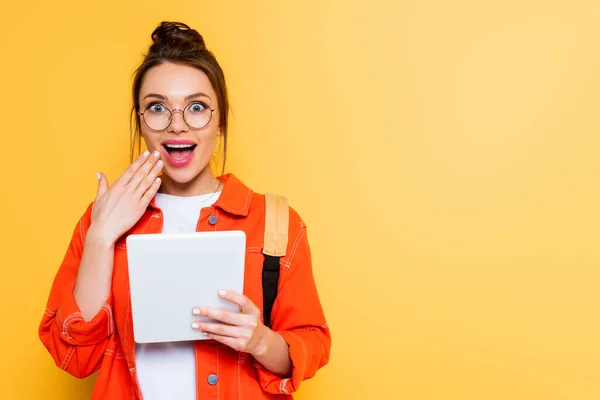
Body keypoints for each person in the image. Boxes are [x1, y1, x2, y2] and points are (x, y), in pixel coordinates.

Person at [38, 21, 331, 400]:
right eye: (157, 107)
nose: (177, 125)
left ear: (221, 120)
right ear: (140, 121)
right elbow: (74, 359)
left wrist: (259, 340)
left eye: (197, 107)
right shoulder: (103, 219)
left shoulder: (276, 223)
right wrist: (99, 239)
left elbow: (312, 343)